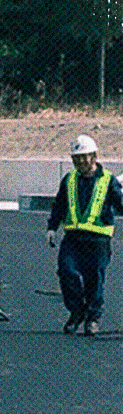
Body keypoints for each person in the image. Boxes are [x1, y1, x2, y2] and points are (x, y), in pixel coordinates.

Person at [47, 134, 120, 336]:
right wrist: (52, 227)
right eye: (76, 158)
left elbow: (120, 203)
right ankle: (77, 311)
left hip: (98, 241)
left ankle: (93, 318)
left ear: (94, 156)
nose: (80, 161)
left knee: (94, 280)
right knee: (66, 272)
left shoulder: (108, 180)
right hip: (73, 239)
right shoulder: (69, 180)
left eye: (84, 157)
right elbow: (59, 205)